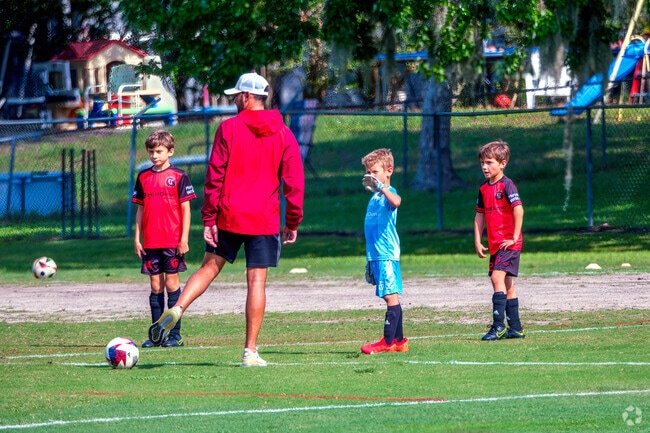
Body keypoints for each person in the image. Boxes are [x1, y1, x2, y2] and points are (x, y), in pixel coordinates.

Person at [146, 71, 305, 366]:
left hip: (230, 214)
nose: (234, 100)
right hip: (264, 218)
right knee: (256, 282)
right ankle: (250, 351)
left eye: (236, 96)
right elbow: (294, 181)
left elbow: (215, 174)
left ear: (246, 96)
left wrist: (209, 218)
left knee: (209, 268)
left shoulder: (228, 129)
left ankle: (178, 308)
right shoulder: (283, 132)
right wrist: (292, 221)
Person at [132, 130, 196, 348]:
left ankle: (174, 335)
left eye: (159, 151)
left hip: (172, 241)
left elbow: (186, 210)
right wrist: (137, 238)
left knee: (171, 284)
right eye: (151, 152)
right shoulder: (143, 177)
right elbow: (140, 210)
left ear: (170, 152)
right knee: (155, 286)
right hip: (150, 241)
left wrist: (184, 238)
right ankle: (155, 334)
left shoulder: (179, 177)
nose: (154, 156)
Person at [474, 140, 526, 341]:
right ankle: (516, 328)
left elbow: (518, 209)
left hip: (508, 244)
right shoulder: (484, 189)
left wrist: (514, 237)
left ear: (502, 163)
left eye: (489, 162)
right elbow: (479, 215)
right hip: (496, 244)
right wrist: (478, 241)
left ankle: (498, 326)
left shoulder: (507, 185)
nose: (485, 167)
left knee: (497, 279)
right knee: (507, 284)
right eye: (482, 163)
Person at [359, 148, 409, 354]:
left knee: (390, 296)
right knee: (390, 295)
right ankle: (398, 341)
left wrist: (382, 187)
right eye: (368, 173)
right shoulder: (375, 198)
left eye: (375, 172)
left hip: (386, 254)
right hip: (376, 255)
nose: (371, 177)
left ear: (389, 170)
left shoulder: (390, 193)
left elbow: (397, 202)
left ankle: (386, 342)